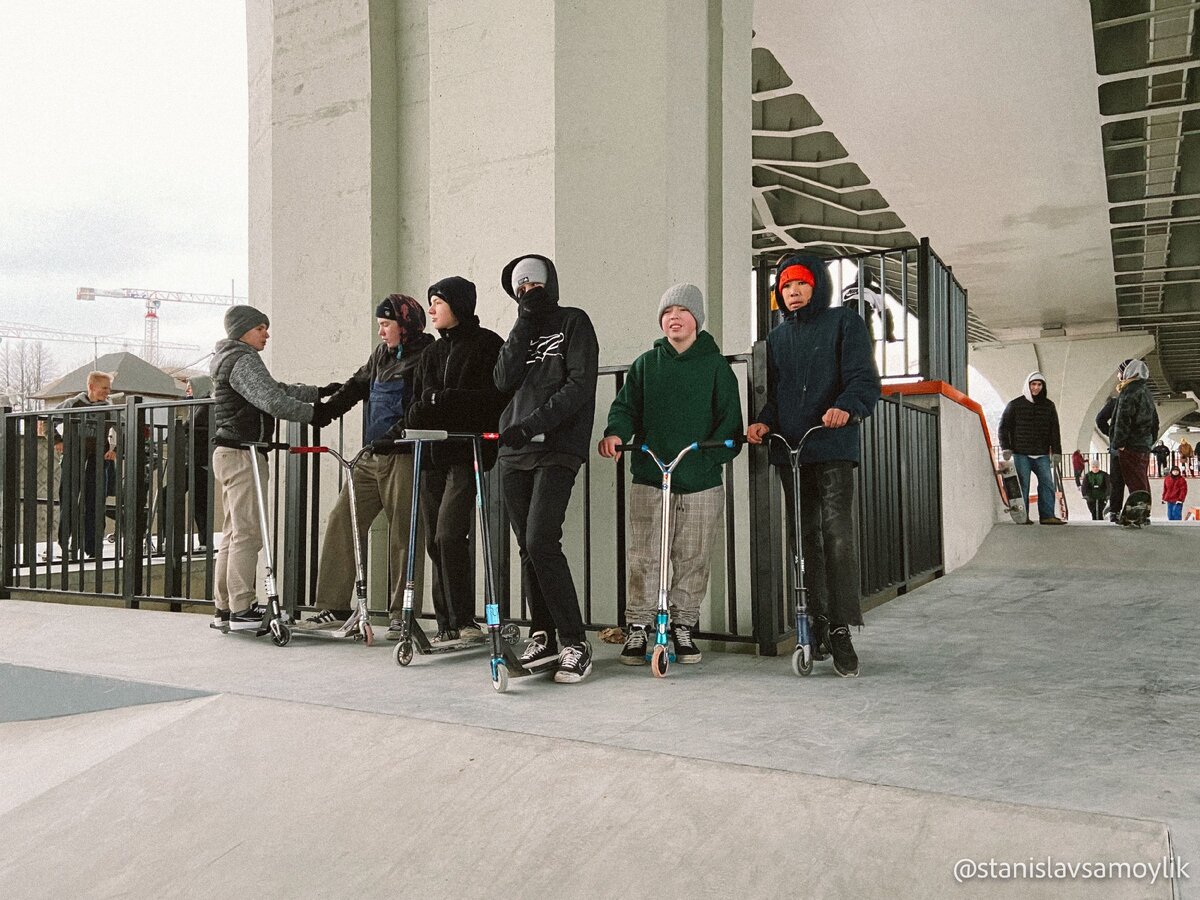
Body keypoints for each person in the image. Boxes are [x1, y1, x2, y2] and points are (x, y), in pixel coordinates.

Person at [746, 254, 881, 677]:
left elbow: (863, 378)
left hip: (833, 445)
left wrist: (846, 407)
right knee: (803, 541)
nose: (793, 292)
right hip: (793, 450)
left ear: (817, 285)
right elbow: (776, 392)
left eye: (801, 284)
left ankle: (841, 628)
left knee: (836, 536)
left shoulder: (844, 322)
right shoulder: (778, 338)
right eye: (786, 286)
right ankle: (816, 623)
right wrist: (764, 421)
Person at [598, 283, 743, 666]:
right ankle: (639, 627)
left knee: (692, 555)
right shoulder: (647, 364)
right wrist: (616, 433)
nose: (673, 317)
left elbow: (730, 425)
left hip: (700, 479)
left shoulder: (715, 367)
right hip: (650, 474)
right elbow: (626, 408)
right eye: (667, 312)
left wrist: (708, 459)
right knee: (644, 555)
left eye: (681, 311)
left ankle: (682, 625)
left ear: (696, 319)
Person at [292, 294, 433, 639]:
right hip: (371, 456)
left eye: (386, 325)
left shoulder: (427, 354)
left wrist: (397, 434)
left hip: (404, 454)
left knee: (405, 534)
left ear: (406, 325)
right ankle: (334, 605)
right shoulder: (381, 355)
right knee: (343, 519)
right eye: (380, 326)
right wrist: (323, 412)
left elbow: (421, 405)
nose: (382, 332)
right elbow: (356, 386)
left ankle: (403, 612)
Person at [493, 254, 599, 684]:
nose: (527, 289)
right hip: (514, 453)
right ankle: (543, 632)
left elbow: (579, 385)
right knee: (527, 547)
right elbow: (502, 380)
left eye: (534, 282)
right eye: (520, 285)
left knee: (541, 540)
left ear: (550, 282)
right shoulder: (521, 329)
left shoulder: (575, 322)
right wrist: (523, 322)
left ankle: (575, 640)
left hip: (556, 447)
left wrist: (533, 426)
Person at [210, 304, 337, 631]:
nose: (267, 334)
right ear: (243, 330)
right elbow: (274, 401)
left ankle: (224, 608)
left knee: (233, 532)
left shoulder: (228, 357)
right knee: (248, 533)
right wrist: (315, 415)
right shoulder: (244, 359)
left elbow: (274, 389)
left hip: (229, 452)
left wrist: (318, 393)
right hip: (243, 454)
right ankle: (242, 608)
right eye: (260, 328)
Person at [403, 276, 509, 645]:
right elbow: (414, 410)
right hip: (432, 456)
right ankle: (447, 621)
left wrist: (442, 400)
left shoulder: (488, 345)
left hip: (468, 454)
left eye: (438, 302)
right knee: (434, 539)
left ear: (459, 305)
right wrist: (438, 403)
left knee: (450, 534)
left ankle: (466, 621)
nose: (430, 309)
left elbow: (492, 401)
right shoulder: (431, 353)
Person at [53, 371, 117, 559]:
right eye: (104, 388)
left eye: (108, 388)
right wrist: (57, 440)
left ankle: (93, 548)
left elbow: (122, 429)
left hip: (99, 460)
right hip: (74, 457)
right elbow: (47, 420)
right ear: (91, 387)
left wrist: (115, 449)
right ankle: (66, 546)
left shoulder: (109, 408)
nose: (107, 392)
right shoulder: (73, 404)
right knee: (69, 500)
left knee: (96, 503)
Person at [997, 372, 1064, 525]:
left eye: (1039, 385)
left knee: (1047, 483)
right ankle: (1022, 516)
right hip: (1021, 454)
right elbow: (1003, 427)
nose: (1036, 388)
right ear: (1028, 385)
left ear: (1043, 386)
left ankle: (1047, 516)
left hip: (1042, 454)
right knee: (1023, 485)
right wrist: (1006, 447)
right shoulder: (1015, 405)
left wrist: (1057, 451)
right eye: (1033, 384)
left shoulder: (1049, 406)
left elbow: (1055, 430)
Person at [1110, 358, 1158, 519]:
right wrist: (1150, 441)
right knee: (1141, 478)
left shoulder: (1129, 391)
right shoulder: (1146, 391)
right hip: (1144, 444)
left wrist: (1119, 443)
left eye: (1120, 372)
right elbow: (1155, 421)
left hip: (1131, 444)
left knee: (1134, 480)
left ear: (1128, 372)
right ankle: (1145, 512)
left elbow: (1123, 419)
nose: (1118, 375)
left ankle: (1137, 512)